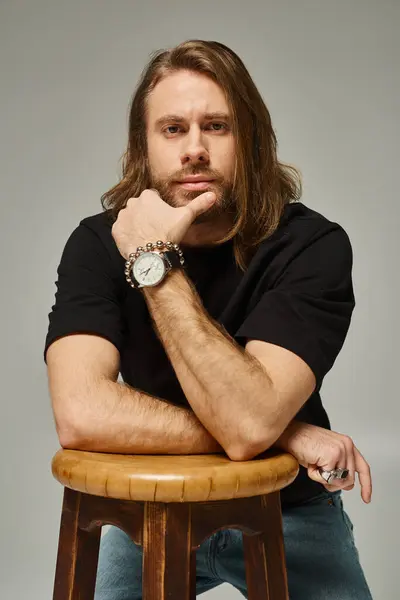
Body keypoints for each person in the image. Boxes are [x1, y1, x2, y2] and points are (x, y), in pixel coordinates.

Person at [44, 39, 373, 599]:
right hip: (148, 511)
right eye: (172, 129)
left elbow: (247, 425)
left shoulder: (311, 245)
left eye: (216, 126)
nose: (194, 148)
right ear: (142, 147)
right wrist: (286, 436)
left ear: (250, 141)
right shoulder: (96, 244)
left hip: (285, 505)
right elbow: (79, 412)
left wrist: (154, 261)